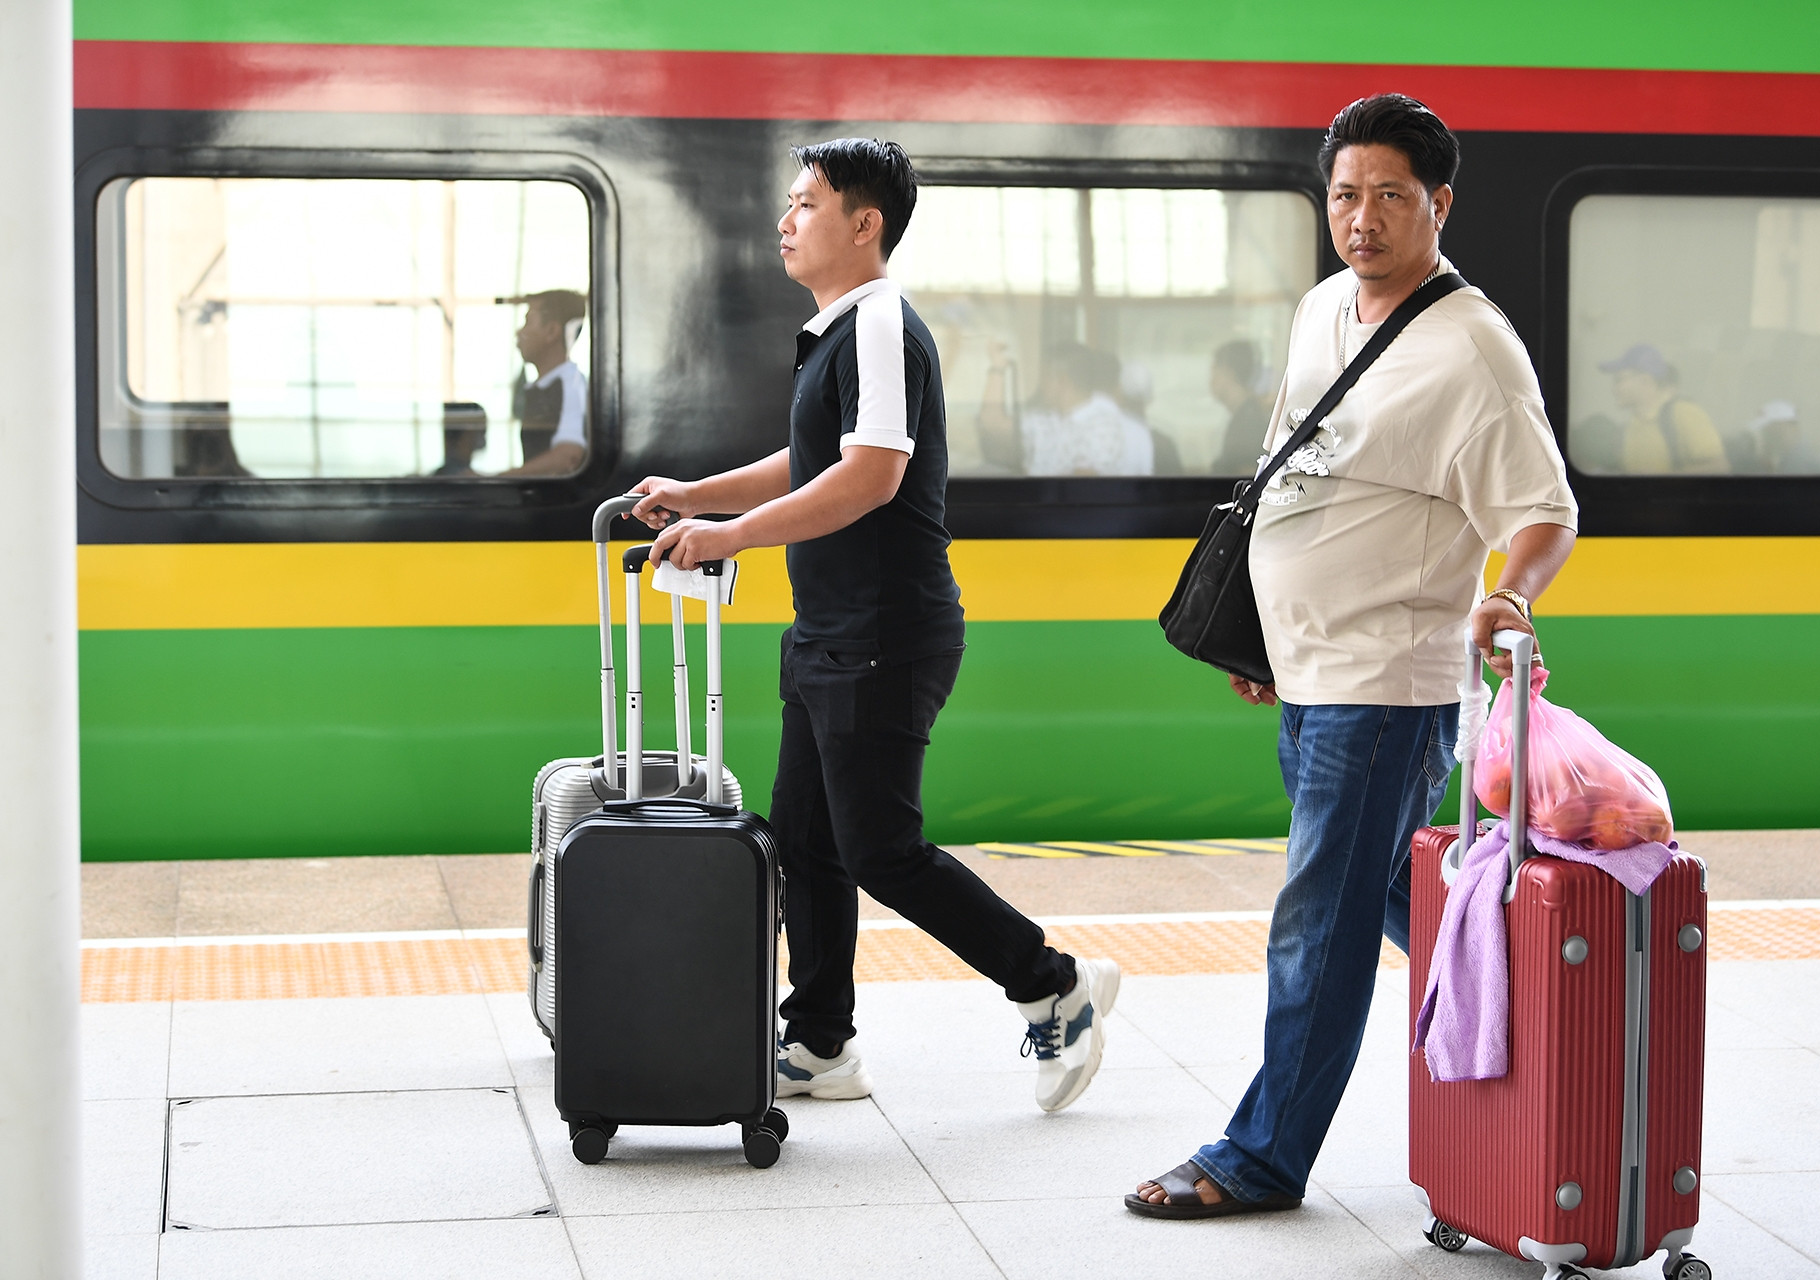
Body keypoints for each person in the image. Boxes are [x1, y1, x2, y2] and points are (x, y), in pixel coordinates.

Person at [1127, 94, 1577, 1219]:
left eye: (1388, 195)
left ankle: (1263, 1154)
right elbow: (1297, 458)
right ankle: (1547, 999)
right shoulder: (1327, 303)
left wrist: (1509, 592)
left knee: (1317, 923)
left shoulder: (1475, 349)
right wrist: (1269, 631)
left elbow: (1546, 508)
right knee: (1385, 890)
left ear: (1440, 204)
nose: (1361, 218)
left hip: (1383, 685)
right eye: (1344, 194)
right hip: (1310, 667)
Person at [627, 138, 1120, 1113]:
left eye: (806, 202)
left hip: (885, 631)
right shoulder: (837, 333)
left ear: (866, 224)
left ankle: (1052, 982)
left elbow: (871, 475)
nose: (786, 218)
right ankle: (818, 1041)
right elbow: (813, 459)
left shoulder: (883, 321)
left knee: (879, 847)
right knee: (804, 842)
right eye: (789, 201)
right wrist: (700, 494)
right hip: (828, 634)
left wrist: (730, 538)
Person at [978, 341, 1154, 475]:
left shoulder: (1104, 424)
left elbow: (1076, 491)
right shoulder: (1045, 418)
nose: (1040, 385)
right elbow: (992, 423)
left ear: (1061, 380)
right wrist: (997, 368)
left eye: (1044, 377)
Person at [498, 289, 588, 477]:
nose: (519, 331)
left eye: (528, 321)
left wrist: (500, 478)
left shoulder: (570, 386)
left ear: (551, 332)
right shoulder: (548, 386)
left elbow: (568, 456)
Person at [1600, 343, 1728, 474]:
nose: (1614, 389)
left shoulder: (1683, 412)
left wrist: (1662, 484)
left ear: (1645, 381)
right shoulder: (1630, 428)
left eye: (1619, 380)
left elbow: (1718, 467)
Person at [1209, 339, 1276, 474]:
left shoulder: (1249, 422)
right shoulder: (1244, 414)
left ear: (1229, 371)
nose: (1211, 379)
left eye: (1215, 370)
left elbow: (1248, 476)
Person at [1728, 399, 1820, 475]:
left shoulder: (1800, 461)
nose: (1764, 435)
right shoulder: (1791, 456)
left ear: (1781, 426)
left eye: (1766, 429)